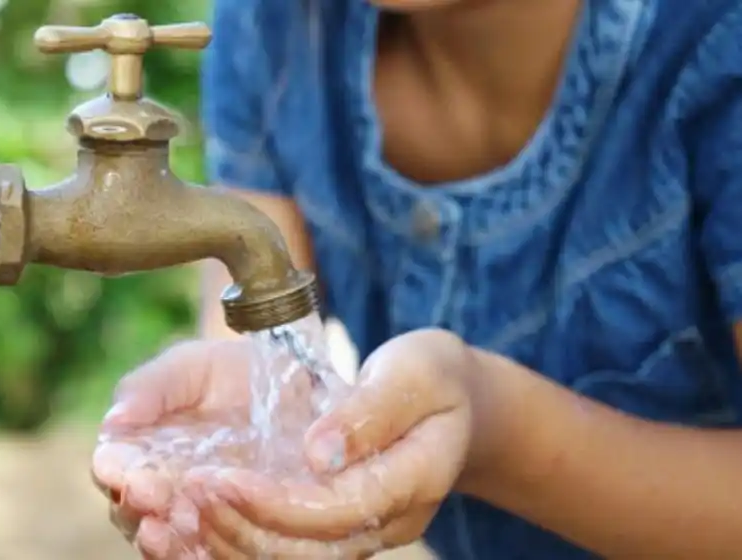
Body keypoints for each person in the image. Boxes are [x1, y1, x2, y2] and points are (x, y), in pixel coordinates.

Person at [91, 0, 742, 558]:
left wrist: (497, 429)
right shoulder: (277, 26)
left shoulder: (717, 46)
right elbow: (258, 331)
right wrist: (234, 465)